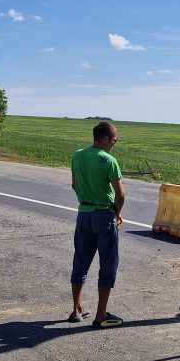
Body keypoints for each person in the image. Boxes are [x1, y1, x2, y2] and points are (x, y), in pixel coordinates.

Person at [69, 121, 126, 328]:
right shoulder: (109, 160)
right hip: (105, 215)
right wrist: (116, 213)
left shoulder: (77, 155)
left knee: (80, 262)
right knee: (108, 265)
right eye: (114, 140)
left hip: (83, 214)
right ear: (105, 138)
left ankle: (77, 308)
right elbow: (120, 193)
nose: (114, 144)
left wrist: (86, 198)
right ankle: (101, 314)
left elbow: (74, 184)